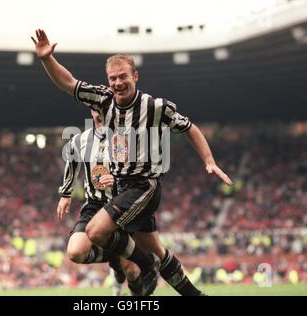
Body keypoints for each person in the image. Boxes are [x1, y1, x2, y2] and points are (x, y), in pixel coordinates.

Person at [32, 29, 233, 296]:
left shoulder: (154, 107)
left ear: (135, 76)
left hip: (142, 187)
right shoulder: (103, 102)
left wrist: (209, 160)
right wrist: (47, 59)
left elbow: (189, 127)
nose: (118, 83)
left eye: (123, 76)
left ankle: (140, 265)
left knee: (99, 233)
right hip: (118, 193)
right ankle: (191, 293)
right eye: (113, 78)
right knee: (154, 251)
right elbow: (69, 83)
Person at [57, 109, 153, 296]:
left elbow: (144, 175)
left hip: (124, 205)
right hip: (95, 205)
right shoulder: (80, 140)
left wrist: (117, 180)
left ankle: (136, 297)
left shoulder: (128, 139)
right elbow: (71, 160)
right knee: (75, 252)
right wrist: (66, 194)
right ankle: (116, 259)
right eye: (95, 107)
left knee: (132, 270)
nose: (99, 111)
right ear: (91, 111)